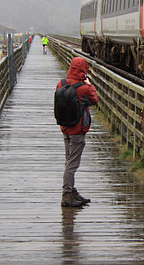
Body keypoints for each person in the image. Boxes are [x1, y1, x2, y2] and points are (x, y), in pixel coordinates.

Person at [56, 57, 98, 207]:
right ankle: (67, 194)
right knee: (72, 164)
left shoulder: (60, 84)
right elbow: (94, 100)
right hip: (78, 130)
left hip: (65, 127)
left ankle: (72, 191)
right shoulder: (83, 88)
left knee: (69, 161)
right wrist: (89, 84)